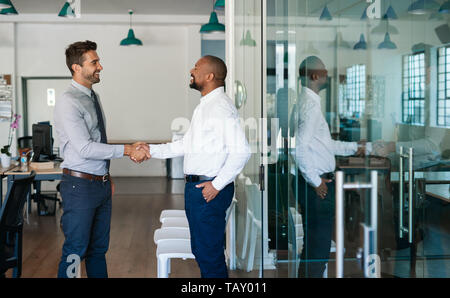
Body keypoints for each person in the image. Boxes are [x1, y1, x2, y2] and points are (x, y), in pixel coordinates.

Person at [145, 55, 251, 278]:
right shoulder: (206, 106)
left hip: (207, 189)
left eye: (197, 67)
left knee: (208, 254)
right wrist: (150, 150)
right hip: (198, 189)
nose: (191, 70)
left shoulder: (219, 107)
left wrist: (216, 185)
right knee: (203, 251)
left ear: (210, 76)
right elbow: (186, 145)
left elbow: (242, 150)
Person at [54, 40, 150, 278]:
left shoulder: (92, 97)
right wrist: (128, 150)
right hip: (79, 186)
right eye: (94, 62)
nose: (100, 67)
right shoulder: (69, 101)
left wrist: (106, 175)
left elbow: (98, 142)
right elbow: (85, 148)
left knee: (98, 250)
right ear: (77, 67)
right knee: (76, 250)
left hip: (99, 183)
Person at [295, 56, 369, 278]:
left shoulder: (309, 103)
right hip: (317, 184)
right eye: (324, 72)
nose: (328, 75)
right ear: (315, 76)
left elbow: (325, 145)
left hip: (315, 181)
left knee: (314, 247)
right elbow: (298, 148)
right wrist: (316, 182)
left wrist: (356, 147)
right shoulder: (310, 106)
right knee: (318, 248)